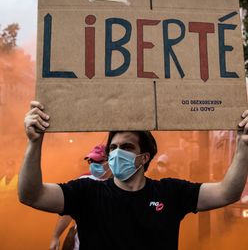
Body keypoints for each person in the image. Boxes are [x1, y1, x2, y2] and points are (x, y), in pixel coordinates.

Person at [18, 101, 248, 250]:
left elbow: (228, 192)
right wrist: (34, 143)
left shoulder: (171, 192)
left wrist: (243, 144)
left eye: (127, 147)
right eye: (113, 148)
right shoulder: (87, 192)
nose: (117, 153)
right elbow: (31, 195)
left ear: (144, 157)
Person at [49, 144, 111, 250]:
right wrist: (55, 236)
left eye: (98, 161)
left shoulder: (125, 184)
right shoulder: (84, 180)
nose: (93, 165)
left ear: (111, 161)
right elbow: (68, 211)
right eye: (91, 161)